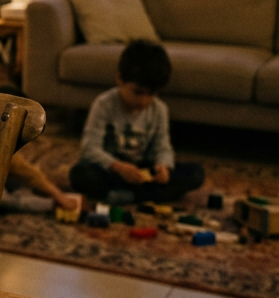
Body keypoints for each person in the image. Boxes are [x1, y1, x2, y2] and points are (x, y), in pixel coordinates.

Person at [68, 40, 205, 204]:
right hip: (111, 169)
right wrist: (118, 167)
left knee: (196, 173)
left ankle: (127, 196)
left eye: (151, 94)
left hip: (141, 170)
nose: (144, 101)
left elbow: (163, 146)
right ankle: (146, 195)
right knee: (80, 174)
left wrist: (163, 166)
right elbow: (89, 148)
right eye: (138, 93)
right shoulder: (104, 104)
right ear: (120, 79)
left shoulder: (159, 109)